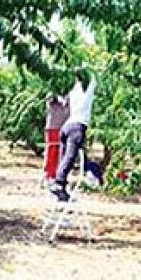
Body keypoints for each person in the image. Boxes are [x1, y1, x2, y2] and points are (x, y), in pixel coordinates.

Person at [49, 69, 97, 202]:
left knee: (65, 158)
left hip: (67, 126)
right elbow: (91, 74)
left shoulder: (74, 89)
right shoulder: (89, 83)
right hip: (77, 127)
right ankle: (59, 183)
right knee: (70, 157)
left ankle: (62, 191)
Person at [43, 93, 69, 182]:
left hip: (64, 128)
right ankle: (48, 174)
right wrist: (58, 97)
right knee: (52, 150)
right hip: (52, 128)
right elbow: (49, 98)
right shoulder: (53, 96)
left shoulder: (69, 95)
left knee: (61, 152)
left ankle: (58, 175)